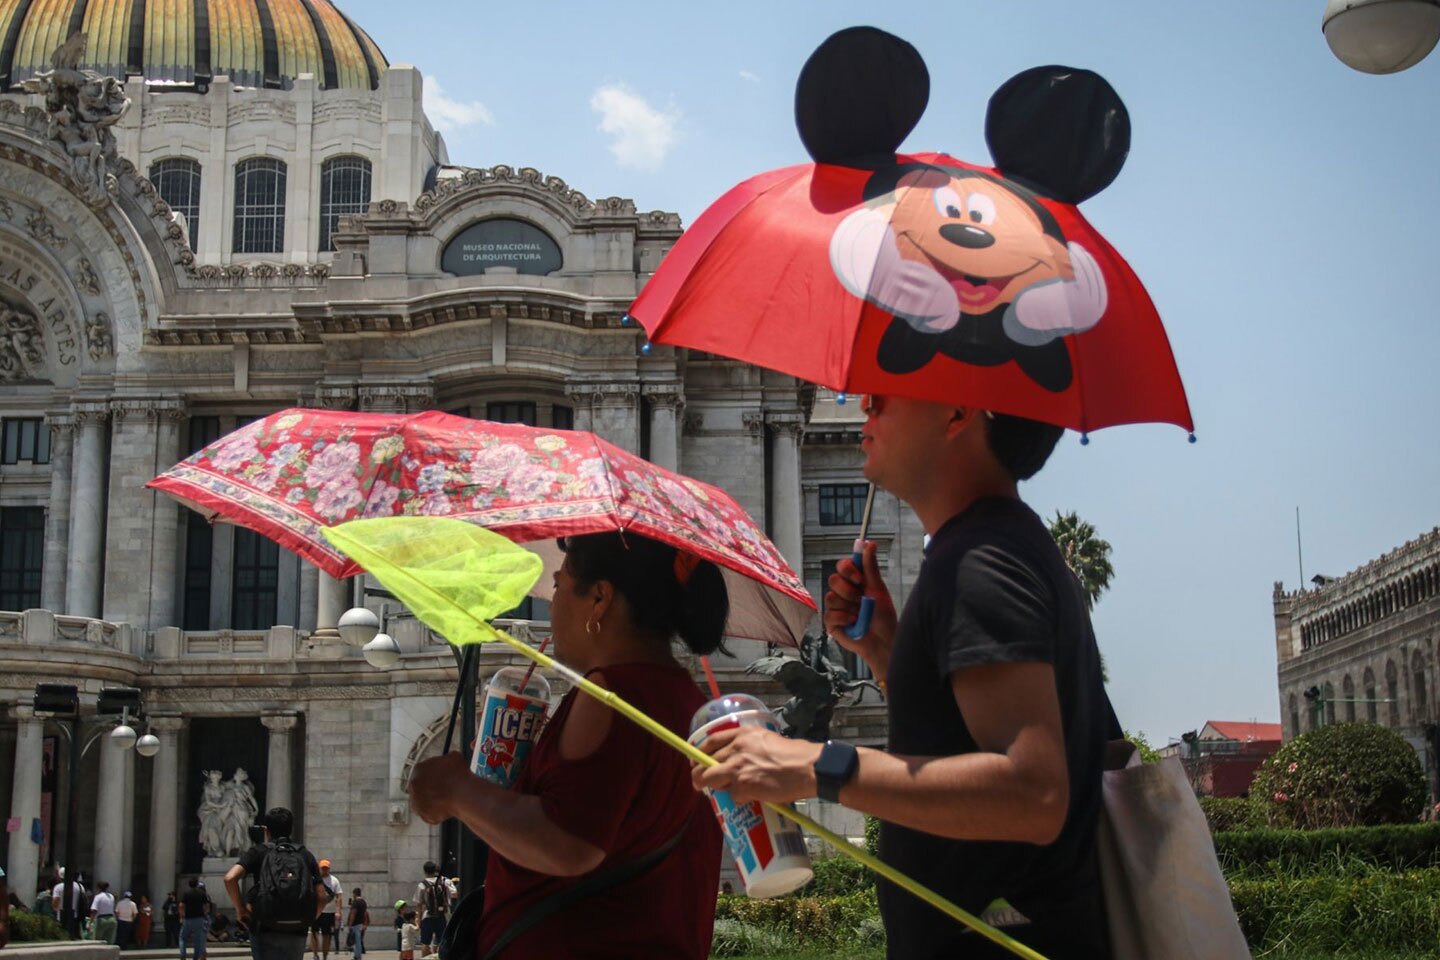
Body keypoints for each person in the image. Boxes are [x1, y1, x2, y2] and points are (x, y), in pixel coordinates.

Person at [694, 396, 1112, 960]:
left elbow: (1033, 795)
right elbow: (964, 743)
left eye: (886, 396)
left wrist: (813, 765)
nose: (865, 403)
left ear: (959, 411)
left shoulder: (983, 561)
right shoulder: (993, 546)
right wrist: (886, 652)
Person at [408, 531, 726, 959]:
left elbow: (570, 841)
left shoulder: (610, 693)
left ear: (599, 599)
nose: (552, 602)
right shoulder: (684, 698)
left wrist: (456, 790)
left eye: (558, 585)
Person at [224, 806, 327, 960]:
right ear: (290, 829)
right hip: (297, 928)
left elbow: (230, 878)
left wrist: (240, 910)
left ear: (266, 830)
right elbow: (322, 896)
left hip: (264, 926)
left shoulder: (258, 852)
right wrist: (309, 917)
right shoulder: (304, 854)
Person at [411, 863, 452, 959]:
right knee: (440, 943)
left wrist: (418, 921)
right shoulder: (443, 883)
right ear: (435, 871)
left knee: (425, 943)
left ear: (425, 871)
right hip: (441, 916)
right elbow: (448, 901)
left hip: (427, 917)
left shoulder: (422, 885)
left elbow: (419, 905)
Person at [310, 860, 342, 960]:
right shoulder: (314, 880)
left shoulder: (334, 880)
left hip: (329, 912)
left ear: (329, 868)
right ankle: (315, 955)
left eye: (326, 868)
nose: (324, 870)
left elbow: (339, 896)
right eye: (322, 868)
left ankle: (325, 956)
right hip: (316, 911)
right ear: (319, 868)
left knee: (327, 935)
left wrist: (338, 911)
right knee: (314, 933)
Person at [178, 878, 209, 960]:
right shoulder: (202, 894)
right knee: (197, 940)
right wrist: (204, 913)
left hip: (188, 918)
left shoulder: (186, 893)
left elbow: (181, 905)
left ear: (189, 884)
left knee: (182, 937)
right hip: (199, 918)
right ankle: (195, 957)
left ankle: (182, 955)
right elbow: (206, 906)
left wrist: (182, 916)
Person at [346, 888, 368, 959]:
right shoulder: (363, 902)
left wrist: (350, 924)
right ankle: (357, 955)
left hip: (355, 924)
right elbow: (364, 913)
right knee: (358, 940)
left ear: (355, 893)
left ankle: (357, 956)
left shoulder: (356, 902)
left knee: (356, 941)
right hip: (360, 923)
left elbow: (353, 913)